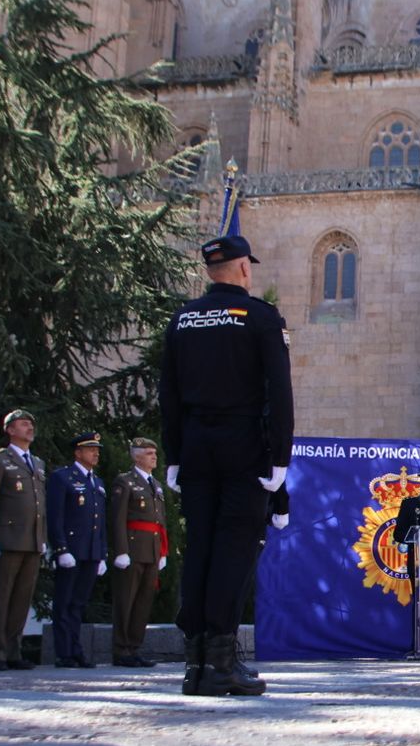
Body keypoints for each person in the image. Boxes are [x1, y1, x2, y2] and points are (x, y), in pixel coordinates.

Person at [161, 234, 292, 697]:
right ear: (243, 269)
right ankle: (220, 660)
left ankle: (194, 663)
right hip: (241, 446)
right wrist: (279, 458)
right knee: (235, 549)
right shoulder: (259, 317)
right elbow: (278, 392)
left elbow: (169, 394)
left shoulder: (182, 319)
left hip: (195, 445)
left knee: (199, 547)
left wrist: (173, 455)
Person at [0, 409, 46, 670]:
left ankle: (13, 650)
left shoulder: (37, 463)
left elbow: (40, 504)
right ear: (9, 430)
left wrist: (42, 537)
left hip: (31, 540)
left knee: (21, 599)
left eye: (31, 423)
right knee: (0, 597)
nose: (29, 427)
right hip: (7, 539)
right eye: (23, 423)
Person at [46, 431, 108, 668]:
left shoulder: (97, 482)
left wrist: (102, 552)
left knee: (79, 603)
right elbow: (56, 517)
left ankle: (76, 649)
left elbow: (100, 521)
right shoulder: (63, 477)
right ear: (78, 452)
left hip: (90, 551)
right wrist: (61, 549)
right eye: (91, 449)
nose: (96, 453)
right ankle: (64, 652)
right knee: (64, 602)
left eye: (97, 450)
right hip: (71, 550)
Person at [108, 437, 169, 667]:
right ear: (136, 456)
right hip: (132, 549)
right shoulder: (125, 482)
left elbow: (161, 521)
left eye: (154, 453)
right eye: (148, 453)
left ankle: (134, 647)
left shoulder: (156, 484)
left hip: (152, 550)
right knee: (126, 599)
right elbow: (118, 519)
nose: (154, 456)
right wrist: (121, 550)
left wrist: (163, 552)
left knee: (143, 601)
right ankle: (121, 648)